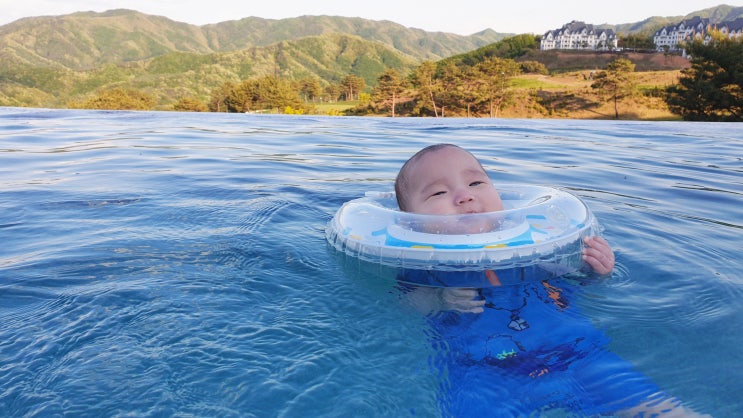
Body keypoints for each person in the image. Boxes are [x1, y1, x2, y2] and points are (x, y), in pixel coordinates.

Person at [393, 144, 707, 417]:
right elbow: (410, 302)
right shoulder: (423, 265)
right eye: (439, 192)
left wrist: (595, 272)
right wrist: (440, 299)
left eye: (476, 182)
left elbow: (569, 286)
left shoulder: (538, 247)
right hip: (484, 373)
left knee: (665, 411)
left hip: (578, 356)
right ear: (410, 221)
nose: (465, 196)